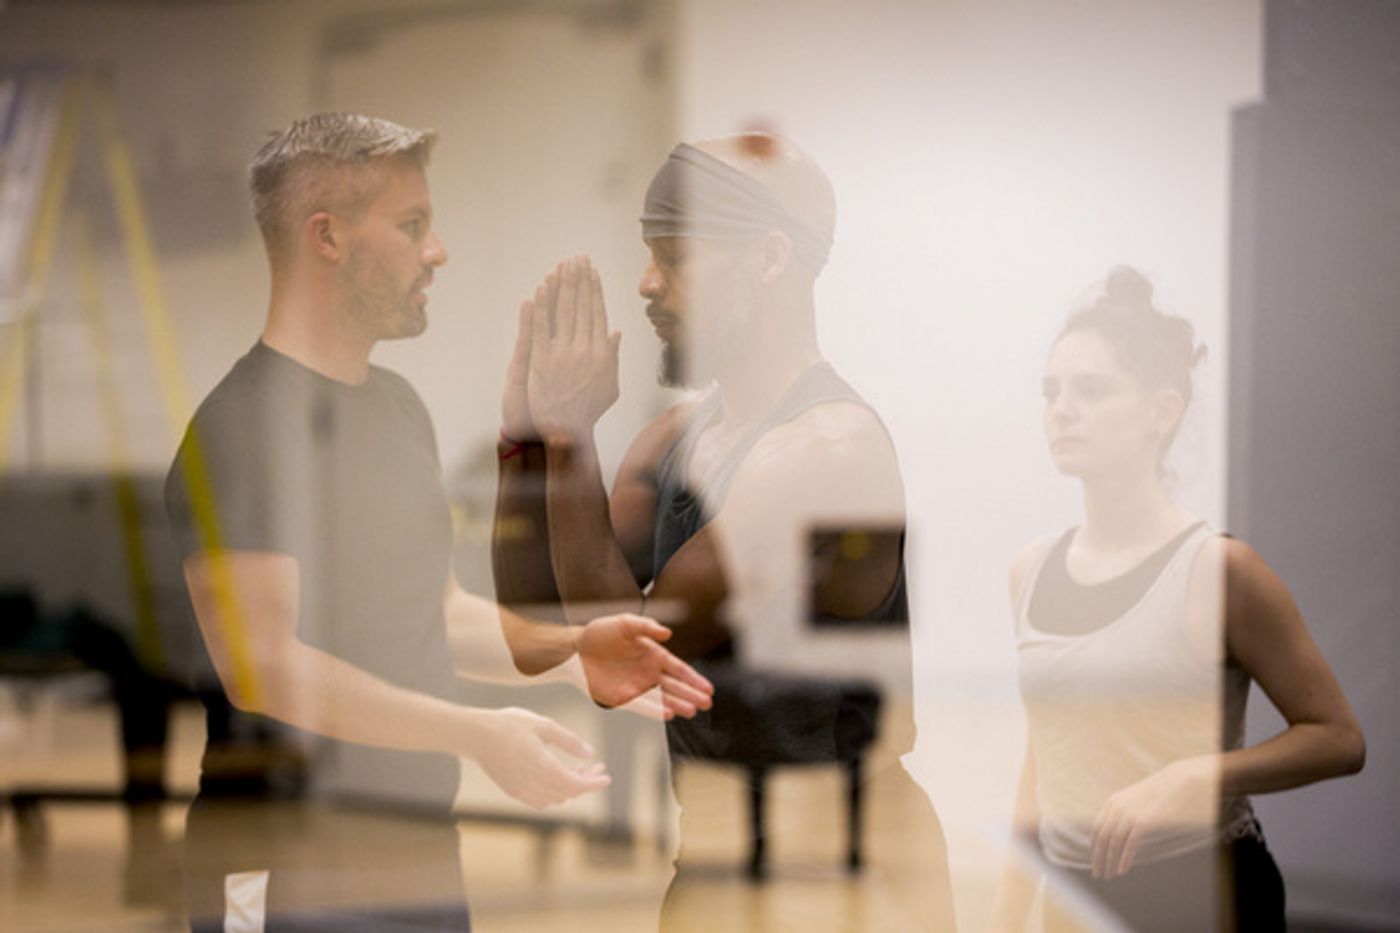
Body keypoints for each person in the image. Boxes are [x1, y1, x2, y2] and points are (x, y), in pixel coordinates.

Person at [164, 112, 712, 932]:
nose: (437, 252)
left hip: (416, 857)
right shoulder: (238, 430)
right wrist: (475, 734)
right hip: (286, 867)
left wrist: (569, 655)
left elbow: (440, 611)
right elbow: (263, 667)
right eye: (413, 226)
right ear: (327, 237)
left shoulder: (396, 407)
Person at [493, 133, 956, 931]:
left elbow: (634, 657)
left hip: (843, 885)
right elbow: (539, 629)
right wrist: (525, 441)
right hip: (716, 866)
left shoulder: (827, 449)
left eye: (674, 256)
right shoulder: (678, 436)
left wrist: (570, 440)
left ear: (770, 258)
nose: (646, 283)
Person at [994, 267, 1366, 932]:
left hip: (1206, 896)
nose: (1062, 408)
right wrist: (1006, 913)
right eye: (1050, 391)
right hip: (1073, 906)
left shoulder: (1221, 571)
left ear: (1162, 410)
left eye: (1092, 389)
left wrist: (1193, 777)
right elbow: (1044, 754)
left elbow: (1338, 738)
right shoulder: (1030, 570)